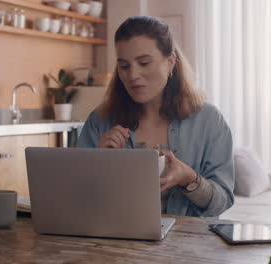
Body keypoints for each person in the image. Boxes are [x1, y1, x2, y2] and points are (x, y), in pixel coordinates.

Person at [77, 16, 234, 217]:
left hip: (188, 245)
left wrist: (190, 180)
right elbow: (79, 199)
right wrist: (98, 162)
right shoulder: (100, 121)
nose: (133, 75)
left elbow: (222, 203)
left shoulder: (209, 121)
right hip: (117, 242)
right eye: (124, 66)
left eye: (143, 63)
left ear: (170, 62)